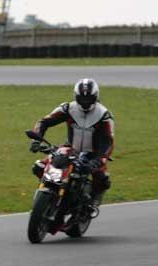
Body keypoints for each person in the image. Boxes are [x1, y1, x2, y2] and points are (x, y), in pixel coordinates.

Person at [29, 78, 115, 211]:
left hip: (93, 154)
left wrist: (100, 159)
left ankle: (93, 202)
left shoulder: (104, 115)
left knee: (102, 179)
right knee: (39, 167)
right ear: (76, 97)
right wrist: (36, 140)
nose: (85, 102)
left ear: (96, 97)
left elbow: (108, 140)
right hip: (70, 148)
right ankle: (48, 193)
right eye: (82, 99)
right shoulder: (68, 108)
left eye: (89, 99)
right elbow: (44, 122)